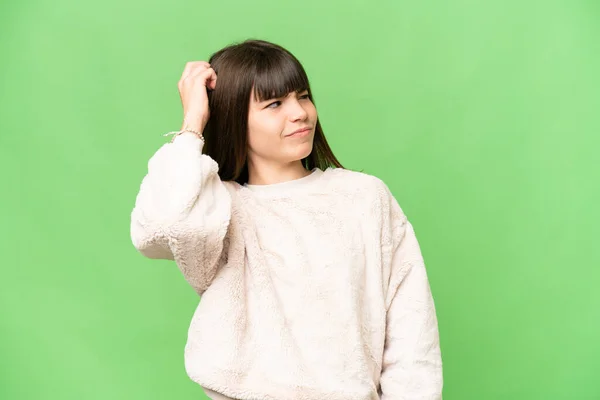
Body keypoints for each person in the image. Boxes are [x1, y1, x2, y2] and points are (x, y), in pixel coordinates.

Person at [130, 39, 443, 400]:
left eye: (303, 96)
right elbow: (162, 227)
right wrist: (192, 125)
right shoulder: (218, 209)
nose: (299, 113)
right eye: (275, 103)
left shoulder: (363, 197)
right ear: (233, 116)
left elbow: (412, 331)